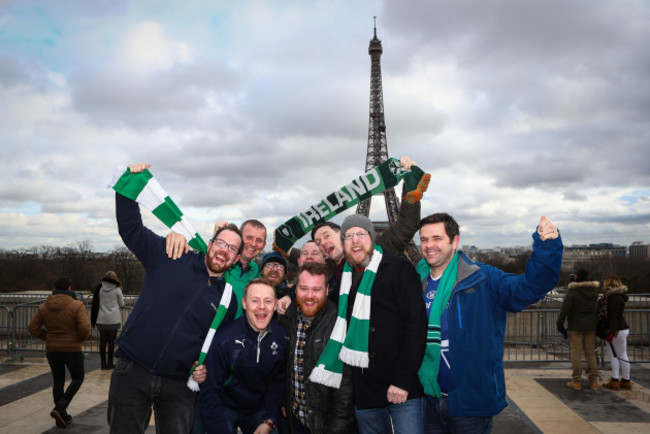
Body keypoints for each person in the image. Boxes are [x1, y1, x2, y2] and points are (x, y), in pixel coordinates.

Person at [108, 162, 241, 434]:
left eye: (232, 249)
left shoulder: (228, 301)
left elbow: (217, 349)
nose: (223, 251)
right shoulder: (172, 254)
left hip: (179, 385)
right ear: (211, 242)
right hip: (132, 372)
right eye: (221, 243)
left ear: (237, 259)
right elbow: (131, 230)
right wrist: (127, 187)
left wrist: (202, 369)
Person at [417, 213, 562, 433]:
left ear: (454, 241)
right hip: (427, 399)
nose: (429, 245)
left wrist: (547, 248)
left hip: (470, 404)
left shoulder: (483, 278)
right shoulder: (415, 281)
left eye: (436, 238)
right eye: (424, 239)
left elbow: (528, 288)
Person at [311, 214, 427, 434]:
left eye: (361, 234)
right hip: (365, 391)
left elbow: (416, 326)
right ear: (343, 243)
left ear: (372, 238)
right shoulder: (342, 279)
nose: (355, 240)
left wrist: (402, 380)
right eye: (349, 236)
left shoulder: (398, 268)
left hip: (401, 386)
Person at [311, 156, 423, 301]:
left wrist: (410, 183)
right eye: (318, 243)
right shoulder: (328, 271)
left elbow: (407, 224)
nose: (323, 243)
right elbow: (302, 256)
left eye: (326, 236)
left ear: (340, 234)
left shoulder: (378, 250)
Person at [199, 278, 286, 434]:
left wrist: (270, 420)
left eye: (268, 301)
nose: (261, 307)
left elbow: (277, 382)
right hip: (226, 406)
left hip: (260, 409)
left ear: (275, 304)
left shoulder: (281, 336)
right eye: (255, 301)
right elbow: (210, 390)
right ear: (244, 303)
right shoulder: (225, 338)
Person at [277, 262, 355, 434]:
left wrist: (335, 429)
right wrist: (285, 402)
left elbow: (346, 391)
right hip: (295, 420)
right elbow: (283, 369)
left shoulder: (340, 324)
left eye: (317, 290)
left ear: (327, 291)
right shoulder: (285, 319)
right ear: (295, 289)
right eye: (304, 288)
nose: (309, 296)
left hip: (328, 426)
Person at [28, 276, 91, 428]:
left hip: (52, 349)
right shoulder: (77, 305)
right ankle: (60, 407)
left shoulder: (43, 307)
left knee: (58, 381)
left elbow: (32, 327)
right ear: (70, 288)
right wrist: (79, 339)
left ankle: (62, 415)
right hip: (72, 348)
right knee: (77, 378)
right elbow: (85, 327)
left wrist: (46, 337)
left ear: (55, 288)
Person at [557, 268, 600, 391]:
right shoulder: (594, 291)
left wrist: (560, 324)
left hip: (575, 326)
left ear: (576, 277)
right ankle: (594, 381)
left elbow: (565, 309)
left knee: (576, 354)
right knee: (590, 354)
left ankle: (576, 380)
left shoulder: (573, 292)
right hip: (590, 326)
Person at [276, 241, 327, 315]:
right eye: (305, 253)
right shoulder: (288, 301)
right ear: (298, 261)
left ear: (324, 260)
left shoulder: (337, 287)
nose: (309, 257)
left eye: (315, 253)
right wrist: (288, 296)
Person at [600, 274, 632, 390]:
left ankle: (614, 380)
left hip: (616, 330)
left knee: (614, 355)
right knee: (623, 355)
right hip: (622, 328)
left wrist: (611, 332)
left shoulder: (612, 298)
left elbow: (612, 317)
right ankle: (626, 380)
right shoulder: (620, 296)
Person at [91, 271, 125, 370]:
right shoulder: (117, 290)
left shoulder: (100, 288)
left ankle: (102, 363)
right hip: (113, 318)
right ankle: (110, 362)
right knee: (111, 342)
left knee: (102, 341)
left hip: (101, 318)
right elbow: (122, 304)